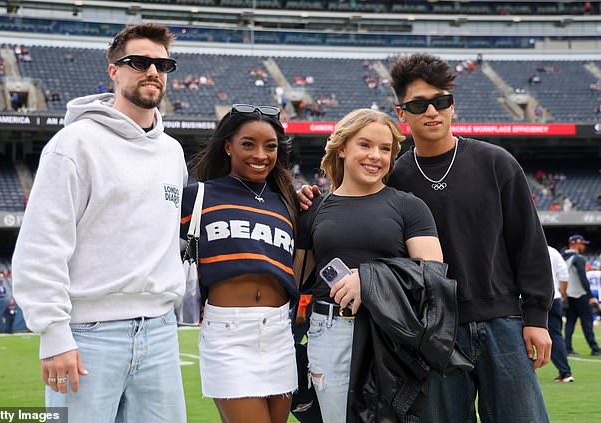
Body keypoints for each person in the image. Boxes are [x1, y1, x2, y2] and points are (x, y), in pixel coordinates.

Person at [298, 53, 553, 422]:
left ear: (453, 106)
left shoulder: (495, 162)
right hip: (430, 329)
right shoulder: (391, 177)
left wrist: (537, 317)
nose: (432, 111)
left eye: (441, 101)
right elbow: (354, 212)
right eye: (419, 104)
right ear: (402, 114)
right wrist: (311, 197)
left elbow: (528, 243)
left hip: (503, 321)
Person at [11, 23, 188, 422]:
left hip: (160, 331)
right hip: (90, 334)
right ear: (113, 71)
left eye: (163, 64)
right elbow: (42, 245)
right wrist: (54, 335)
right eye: (139, 62)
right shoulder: (74, 144)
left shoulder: (172, 152)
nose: (153, 72)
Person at [295, 108, 443, 423]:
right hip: (331, 331)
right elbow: (295, 279)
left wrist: (370, 280)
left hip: (393, 334)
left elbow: (434, 275)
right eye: (365, 145)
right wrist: (288, 208)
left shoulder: (409, 206)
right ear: (342, 147)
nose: (375, 156)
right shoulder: (314, 209)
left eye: (385, 149)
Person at [181, 104, 298, 423]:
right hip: (228, 334)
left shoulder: (287, 201)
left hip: (278, 332)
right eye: (248, 144)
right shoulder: (197, 197)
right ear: (228, 146)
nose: (260, 154)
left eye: (270, 146)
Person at [561, 234, 601, 356]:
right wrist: (590, 296)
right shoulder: (578, 258)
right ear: (575, 243)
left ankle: (567, 348)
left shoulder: (563, 257)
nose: (583, 246)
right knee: (587, 321)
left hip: (569, 294)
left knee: (570, 322)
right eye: (581, 243)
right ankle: (595, 348)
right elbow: (583, 279)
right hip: (581, 294)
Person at [547, 245, 574, 382]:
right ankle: (565, 372)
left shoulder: (517, 247)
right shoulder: (552, 251)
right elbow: (564, 276)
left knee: (518, 336)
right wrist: (562, 294)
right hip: (553, 297)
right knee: (555, 335)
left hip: (524, 300)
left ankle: (521, 375)